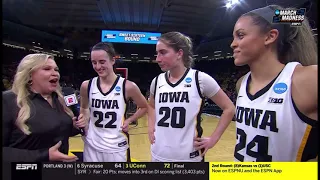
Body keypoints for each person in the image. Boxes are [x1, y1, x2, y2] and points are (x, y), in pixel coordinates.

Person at [230, 5, 318, 162]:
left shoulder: (307, 79)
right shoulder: (241, 83)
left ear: (270, 36)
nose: (233, 44)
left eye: (240, 35)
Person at [148, 32, 235, 162]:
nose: (158, 59)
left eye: (163, 52)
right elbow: (151, 105)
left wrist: (213, 139)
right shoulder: (157, 81)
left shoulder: (199, 79)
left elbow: (229, 108)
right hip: (158, 154)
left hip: (189, 157)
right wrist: (150, 126)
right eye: (157, 53)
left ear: (179, 53)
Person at [2, 54, 83, 162]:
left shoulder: (60, 99)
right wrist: (45, 155)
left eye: (56, 69)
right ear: (30, 75)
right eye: (47, 69)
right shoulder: (8, 101)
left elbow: (55, 132)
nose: (55, 73)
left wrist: (74, 127)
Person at [76, 42, 149, 162]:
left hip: (117, 146)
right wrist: (83, 118)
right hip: (92, 145)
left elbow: (144, 107)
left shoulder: (128, 86)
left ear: (113, 60)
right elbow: (84, 108)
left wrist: (130, 120)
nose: (98, 66)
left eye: (102, 62)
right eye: (94, 62)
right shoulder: (86, 86)